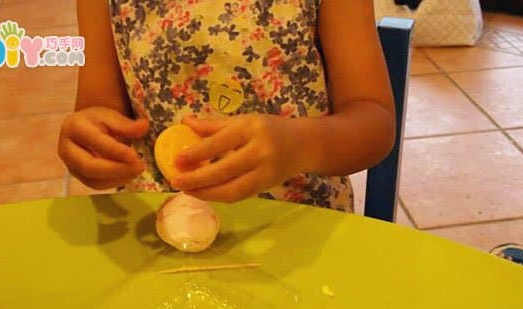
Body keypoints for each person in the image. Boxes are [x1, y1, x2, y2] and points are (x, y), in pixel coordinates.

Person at [58, 0, 396, 212]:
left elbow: (374, 122)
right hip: (157, 223)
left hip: (297, 225)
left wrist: (300, 145)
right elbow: (98, 108)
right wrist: (90, 143)